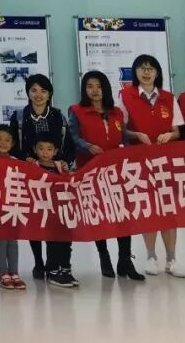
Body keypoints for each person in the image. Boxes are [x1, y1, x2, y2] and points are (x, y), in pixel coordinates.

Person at [67, 70, 144, 281]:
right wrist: (88, 146)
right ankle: (104, 256)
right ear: (84, 89)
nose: (95, 90)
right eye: (90, 86)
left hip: (116, 171)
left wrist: (128, 146)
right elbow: (73, 136)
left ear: (106, 89)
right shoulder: (77, 110)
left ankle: (125, 260)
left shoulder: (116, 112)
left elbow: (123, 137)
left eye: (99, 86)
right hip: (90, 169)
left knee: (123, 215)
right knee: (99, 214)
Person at [119, 54, 185, 277]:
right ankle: (150, 256)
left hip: (166, 162)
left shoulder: (168, 97)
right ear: (135, 72)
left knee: (169, 210)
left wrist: (170, 135)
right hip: (140, 161)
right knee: (148, 209)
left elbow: (178, 131)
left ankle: (172, 259)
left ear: (157, 73)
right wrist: (136, 134)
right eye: (142, 68)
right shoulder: (125, 95)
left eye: (151, 68)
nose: (146, 72)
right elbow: (121, 129)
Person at [9, 74, 74, 280]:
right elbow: (13, 145)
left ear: (49, 94)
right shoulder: (19, 117)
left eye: (43, 91)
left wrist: (65, 162)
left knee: (56, 219)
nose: (38, 95)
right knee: (36, 219)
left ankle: (56, 262)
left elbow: (69, 145)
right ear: (28, 92)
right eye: (34, 90)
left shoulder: (58, 116)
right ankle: (39, 261)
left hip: (55, 176)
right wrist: (25, 159)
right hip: (31, 176)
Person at [32, 135, 79, 288]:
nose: (45, 152)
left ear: (55, 151)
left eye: (49, 149)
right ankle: (52, 270)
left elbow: (68, 182)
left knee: (66, 241)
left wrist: (70, 174)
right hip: (46, 211)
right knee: (53, 242)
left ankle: (65, 269)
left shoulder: (60, 165)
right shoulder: (33, 166)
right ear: (35, 150)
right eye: (41, 149)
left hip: (62, 210)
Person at [0, 124, 25, 290]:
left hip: (13, 206)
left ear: (12, 143)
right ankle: (3, 273)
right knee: (0, 240)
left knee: (13, 241)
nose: (3, 143)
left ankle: (14, 272)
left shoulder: (17, 162)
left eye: (7, 140)